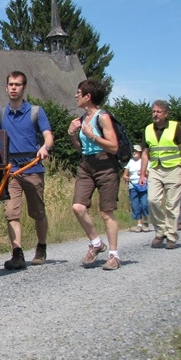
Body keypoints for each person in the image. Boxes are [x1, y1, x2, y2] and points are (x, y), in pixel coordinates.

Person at [0, 71, 54, 270]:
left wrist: (45, 147)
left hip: (33, 168)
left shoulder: (36, 112)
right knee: (11, 213)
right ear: (6, 87)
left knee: (37, 213)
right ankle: (17, 253)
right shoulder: (0, 114)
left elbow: (48, 136)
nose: (13, 87)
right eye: (10, 84)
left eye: (17, 84)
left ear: (24, 88)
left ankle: (41, 246)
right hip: (11, 172)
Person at [68, 80, 121, 271]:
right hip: (86, 164)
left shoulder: (103, 117)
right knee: (78, 206)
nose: (76, 95)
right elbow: (82, 148)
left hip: (106, 164)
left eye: (79, 92)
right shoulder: (82, 119)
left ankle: (114, 256)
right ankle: (96, 243)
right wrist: (72, 135)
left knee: (106, 212)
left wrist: (93, 136)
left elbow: (114, 147)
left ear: (87, 96)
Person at [139, 100, 181, 250]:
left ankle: (171, 236)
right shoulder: (148, 129)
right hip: (155, 169)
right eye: (154, 111)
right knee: (152, 200)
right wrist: (143, 174)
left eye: (158, 112)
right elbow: (145, 153)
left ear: (166, 114)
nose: (155, 114)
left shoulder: (175, 127)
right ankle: (161, 231)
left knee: (171, 204)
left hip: (173, 169)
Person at [123, 144, 149, 232]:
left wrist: (143, 173)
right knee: (135, 205)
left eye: (136, 151)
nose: (134, 152)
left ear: (140, 152)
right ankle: (139, 224)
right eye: (133, 151)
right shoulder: (130, 162)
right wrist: (126, 177)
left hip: (143, 185)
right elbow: (125, 174)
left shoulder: (144, 161)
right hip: (132, 185)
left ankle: (145, 220)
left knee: (144, 204)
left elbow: (149, 173)